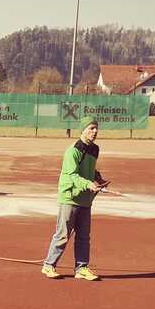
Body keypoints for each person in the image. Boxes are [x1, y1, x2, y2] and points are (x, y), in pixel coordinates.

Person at [41, 117, 109, 281]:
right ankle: (49, 265)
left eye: (96, 128)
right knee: (63, 234)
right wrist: (88, 184)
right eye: (91, 128)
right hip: (70, 197)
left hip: (86, 198)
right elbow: (72, 175)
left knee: (84, 235)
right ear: (83, 130)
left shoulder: (94, 149)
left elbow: (90, 169)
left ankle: (81, 268)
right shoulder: (73, 150)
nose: (95, 131)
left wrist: (98, 179)